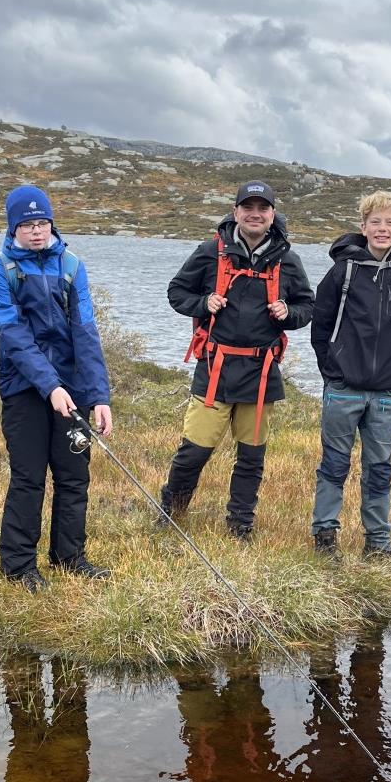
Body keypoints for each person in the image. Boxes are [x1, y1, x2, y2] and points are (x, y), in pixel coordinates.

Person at [159, 180, 314, 539]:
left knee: (251, 457)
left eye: (262, 208)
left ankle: (240, 526)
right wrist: (203, 303)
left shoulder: (288, 260)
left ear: (272, 214)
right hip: (215, 369)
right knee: (193, 452)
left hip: (261, 372)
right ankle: (171, 513)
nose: (255, 214)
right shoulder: (210, 251)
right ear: (236, 212)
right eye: (248, 207)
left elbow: (307, 306)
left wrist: (288, 312)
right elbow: (177, 292)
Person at [0, 185, 113, 590]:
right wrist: (49, 386)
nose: (37, 231)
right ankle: (18, 565)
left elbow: (86, 331)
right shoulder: (1, 269)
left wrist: (98, 396)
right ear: (13, 228)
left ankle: (69, 556)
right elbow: (14, 335)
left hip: (72, 388)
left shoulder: (72, 265)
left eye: (42, 223)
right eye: (28, 225)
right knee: (29, 477)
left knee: (74, 475)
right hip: (23, 388)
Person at [309, 190, 391, 557]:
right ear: (363, 227)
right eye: (375, 222)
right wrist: (334, 369)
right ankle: (325, 536)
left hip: (387, 393)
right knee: (334, 464)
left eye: (390, 222)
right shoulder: (342, 271)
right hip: (343, 388)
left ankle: (378, 542)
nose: (382, 228)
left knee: (379, 469)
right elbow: (321, 327)